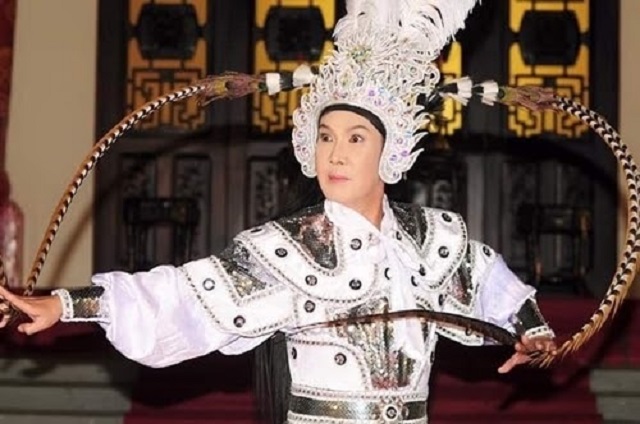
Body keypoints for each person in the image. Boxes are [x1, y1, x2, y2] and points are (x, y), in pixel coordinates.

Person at [0, 1, 557, 423]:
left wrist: (531, 329)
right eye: (326, 136)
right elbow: (183, 296)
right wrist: (65, 305)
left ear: (391, 153)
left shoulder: (432, 240)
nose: (335, 153)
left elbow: (490, 282)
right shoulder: (287, 249)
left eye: (356, 138)